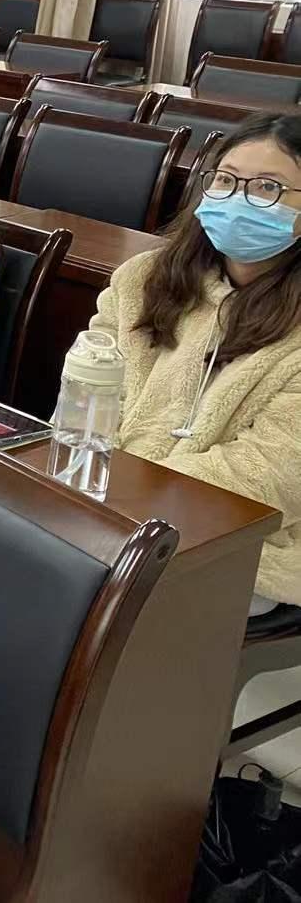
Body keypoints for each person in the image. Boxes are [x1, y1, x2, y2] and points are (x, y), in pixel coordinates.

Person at [80, 113, 301, 613]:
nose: (238, 199)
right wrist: (96, 492)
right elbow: (89, 383)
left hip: (245, 545)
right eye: (226, 180)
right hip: (108, 507)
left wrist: (128, 500)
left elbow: (271, 474)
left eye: (268, 187)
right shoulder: (143, 278)